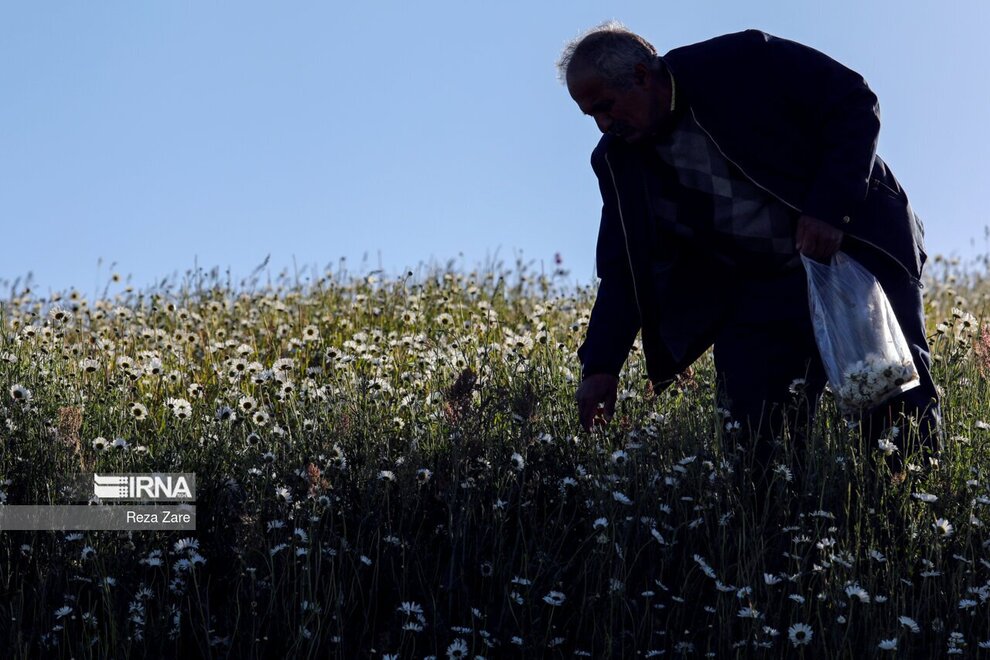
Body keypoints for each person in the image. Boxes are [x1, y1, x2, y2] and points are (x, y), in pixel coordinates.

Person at [558, 23, 941, 497]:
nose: (603, 125)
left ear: (640, 75)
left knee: (893, 397)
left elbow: (852, 101)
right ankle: (772, 551)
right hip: (758, 289)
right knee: (754, 432)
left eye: (605, 107)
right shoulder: (620, 161)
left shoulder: (742, 61)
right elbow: (623, 269)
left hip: (853, 254)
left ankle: (910, 521)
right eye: (590, 115)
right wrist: (600, 366)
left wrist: (829, 210)